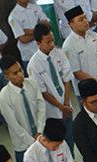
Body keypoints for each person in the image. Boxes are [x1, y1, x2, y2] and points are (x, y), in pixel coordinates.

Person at [29, 23, 75, 152]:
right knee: (57, 141)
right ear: (38, 43)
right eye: (47, 42)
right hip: (51, 110)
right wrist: (61, 107)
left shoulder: (59, 53)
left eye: (52, 40)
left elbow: (66, 79)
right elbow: (43, 92)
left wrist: (66, 103)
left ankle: (71, 159)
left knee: (70, 136)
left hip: (66, 104)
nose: (52, 44)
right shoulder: (34, 64)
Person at [0, 55, 45, 162]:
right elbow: (14, 126)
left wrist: (39, 131)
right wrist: (33, 141)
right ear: (6, 76)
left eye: (20, 70)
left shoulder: (32, 83)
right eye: (15, 73)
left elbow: (41, 107)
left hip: (40, 135)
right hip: (23, 144)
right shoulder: (3, 97)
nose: (20, 74)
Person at [63, 7, 97, 100]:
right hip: (85, 90)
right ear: (71, 25)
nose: (85, 21)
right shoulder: (69, 45)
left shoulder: (93, 35)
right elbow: (77, 72)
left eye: (85, 17)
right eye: (81, 19)